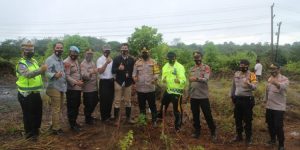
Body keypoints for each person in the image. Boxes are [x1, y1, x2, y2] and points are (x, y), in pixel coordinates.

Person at [16, 40, 47, 140]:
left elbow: (37, 74)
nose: (30, 51)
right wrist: (40, 70)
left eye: (32, 49)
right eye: (28, 50)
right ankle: (29, 134)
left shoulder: (34, 61)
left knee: (38, 113)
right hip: (26, 94)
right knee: (28, 115)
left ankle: (35, 131)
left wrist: (43, 71)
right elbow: (27, 74)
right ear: (23, 51)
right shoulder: (21, 63)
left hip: (36, 93)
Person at [188, 51, 216, 141]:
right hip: (193, 96)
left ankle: (213, 132)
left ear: (201, 57)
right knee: (195, 115)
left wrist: (196, 78)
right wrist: (188, 93)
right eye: (195, 57)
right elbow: (190, 83)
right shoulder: (191, 69)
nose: (197, 59)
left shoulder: (206, 67)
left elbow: (206, 79)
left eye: (198, 57)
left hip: (203, 96)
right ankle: (197, 131)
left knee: (208, 115)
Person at [231, 59, 257, 145]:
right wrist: (232, 95)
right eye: (241, 65)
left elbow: (254, 87)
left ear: (248, 66)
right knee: (237, 119)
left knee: (248, 120)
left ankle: (248, 138)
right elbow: (233, 86)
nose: (242, 67)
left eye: (244, 65)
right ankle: (239, 136)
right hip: (238, 99)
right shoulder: (236, 74)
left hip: (247, 100)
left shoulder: (252, 74)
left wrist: (249, 83)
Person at [159, 52, 186, 132]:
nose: (170, 61)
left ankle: (178, 126)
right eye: (169, 59)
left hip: (177, 92)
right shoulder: (165, 66)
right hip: (168, 90)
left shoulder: (180, 67)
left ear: (175, 58)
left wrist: (179, 81)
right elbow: (163, 77)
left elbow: (184, 80)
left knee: (177, 109)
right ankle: (160, 119)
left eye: (172, 59)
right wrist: (163, 80)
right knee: (163, 104)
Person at [133, 47, 160, 126]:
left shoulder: (154, 62)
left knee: (152, 105)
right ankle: (143, 120)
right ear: (141, 53)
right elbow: (134, 74)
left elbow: (157, 72)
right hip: (140, 88)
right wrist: (134, 79)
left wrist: (155, 78)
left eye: (146, 52)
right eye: (143, 53)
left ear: (149, 53)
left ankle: (154, 120)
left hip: (150, 88)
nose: (144, 54)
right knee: (142, 105)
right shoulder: (137, 63)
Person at [265, 63, 289, 150]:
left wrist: (275, 82)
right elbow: (267, 91)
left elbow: (283, 87)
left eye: (274, 69)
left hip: (279, 107)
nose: (273, 70)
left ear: (279, 69)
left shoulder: (284, 79)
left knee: (278, 126)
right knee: (270, 125)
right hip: (269, 106)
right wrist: (265, 100)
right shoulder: (269, 79)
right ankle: (272, 139)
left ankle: (281, 144)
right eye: (271, 69)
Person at [45, 42, 67, 135]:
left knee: (59, 107)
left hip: (61, 87)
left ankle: (53, 124)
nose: (59, 49)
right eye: (58, 48)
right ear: (54, 48)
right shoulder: (49, 59)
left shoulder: (60, 59)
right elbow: (46, 73)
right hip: (53, 87)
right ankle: (56, 129)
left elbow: (62, 72)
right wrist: (54, 75)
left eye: (61, 48)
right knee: (56, 108)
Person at [111, 43, 135, 125]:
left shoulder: (132, 59)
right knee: (117, 101)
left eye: (126, 48)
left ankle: (128, 118)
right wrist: (118, 68)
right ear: (120, 50)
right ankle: (116, 119)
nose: (124, 50)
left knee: (128, 101)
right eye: (123, 48)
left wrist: (133, 81)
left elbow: (133, 71)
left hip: (128, 82)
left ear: (128, 50)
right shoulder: (116, 59)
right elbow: (113, 71)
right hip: (118, 82)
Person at [64, 46, 83, 132]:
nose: (74, 55)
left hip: (77, 88)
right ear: (69, 52)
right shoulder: (66, 62)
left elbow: (77, 73)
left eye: (75, 53)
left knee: (77, 105)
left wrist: (80, 81)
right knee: (72, 107)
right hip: (71, 89)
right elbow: (66, 76)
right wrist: (76, 82)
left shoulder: (75, 61)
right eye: (72, 53)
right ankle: (72, 125)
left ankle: (74, 122)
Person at [81, 48, 99, 125]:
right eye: (88, 53)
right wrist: (91, 73)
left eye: (91, 53)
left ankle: (89, 115)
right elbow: (83, 75)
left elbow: (96, 72)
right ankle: (87, 119)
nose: (89, 55)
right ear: (85, 54)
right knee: (88, 104)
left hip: (94, 87)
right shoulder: (83, 64)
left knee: (95, 101)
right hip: (87, 88)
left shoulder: (93, 62)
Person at [96, 44, 114, 122]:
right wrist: (106, 63)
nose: (107, 51)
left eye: (108, 50)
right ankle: (104, 117)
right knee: (104, 100)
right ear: (103, 51)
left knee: (110, 99)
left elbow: (112, 72)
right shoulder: (100, 60)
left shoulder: (111, 60)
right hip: (104, 82)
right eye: (105, 50)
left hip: (111, 81)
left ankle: (108, 116)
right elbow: (100, 71)